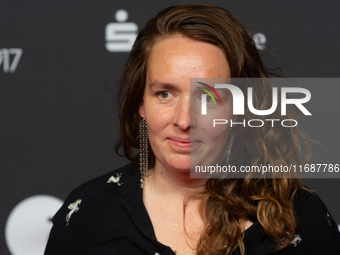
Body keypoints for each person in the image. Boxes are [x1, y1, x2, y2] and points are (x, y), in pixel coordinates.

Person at [44, 4, 340, 255]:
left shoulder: (300, 219)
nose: (184, 120)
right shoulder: (87, 216)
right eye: (165, 94)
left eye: (208, 97)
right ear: (141, 104)